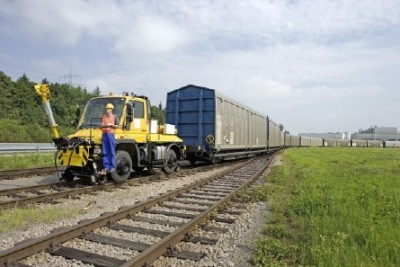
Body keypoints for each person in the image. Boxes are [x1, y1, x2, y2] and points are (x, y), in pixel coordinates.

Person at [99, 103, 120, 175]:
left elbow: (118, 126)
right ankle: (106, 166)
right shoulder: (104, 116)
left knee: (111, 151)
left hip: (110, 134)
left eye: (108, 108)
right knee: (105, 151)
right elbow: (101, 124)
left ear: (111, 109)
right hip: (104, 134)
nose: (107, 110)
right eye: (106, 108)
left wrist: (111, 125)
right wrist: (102, 124)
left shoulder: (115, 117)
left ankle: (113, 166)